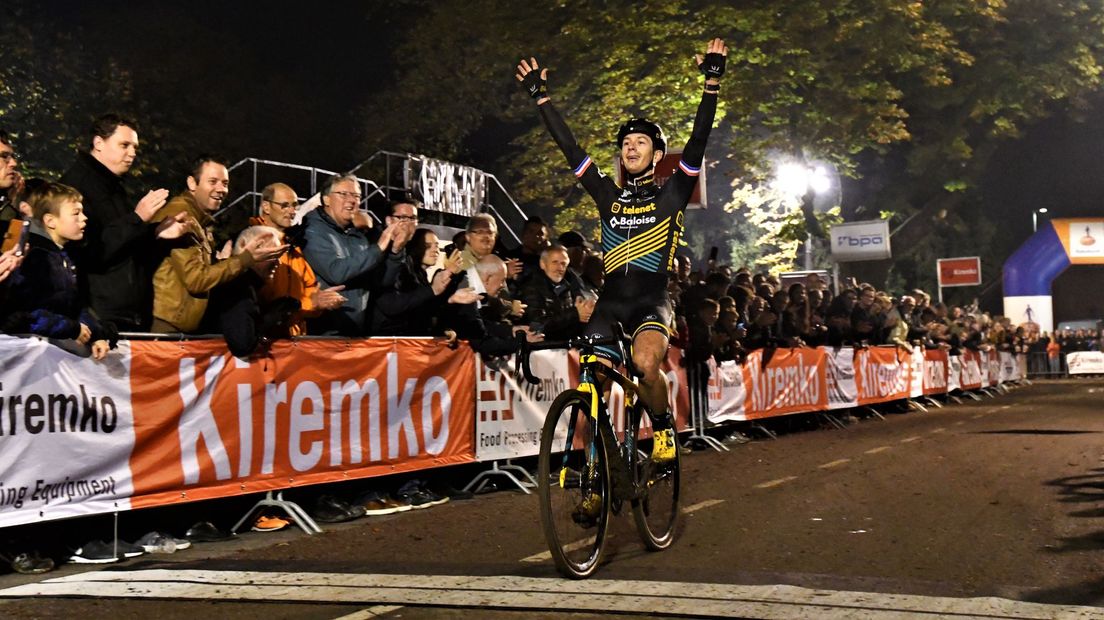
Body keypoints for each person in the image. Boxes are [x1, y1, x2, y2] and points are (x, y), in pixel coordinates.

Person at [517, 37, 727, 463]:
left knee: (647, 365)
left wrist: (711, 84)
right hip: (610, 303)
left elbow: (700, 141)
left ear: (657, 155)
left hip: (651, 301)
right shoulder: (607, 197)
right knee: (591, 382)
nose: (630, 146)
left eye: (641, 142)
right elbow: (570, 149)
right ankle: (602, 463)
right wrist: (542, 99)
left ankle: (664, 427)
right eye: (626, 142)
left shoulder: (671, 195)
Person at [59, 114, 187, 332]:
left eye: (135, 147)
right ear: (99, 143)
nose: (132, 154)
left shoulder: (114, 186)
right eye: (124, 145)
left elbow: (126, 247)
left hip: (126, 314)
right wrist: (137, 218)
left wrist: (157, 233)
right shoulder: (75, 186)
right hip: (100, 317)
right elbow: (91, 252)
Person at [150, 156, 286, 333]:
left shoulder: (200, 219)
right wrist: (244, 259)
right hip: (167, 328)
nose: (221, 189)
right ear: (192, 183)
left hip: (178, 327)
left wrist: (222, 262)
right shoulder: (181, 216)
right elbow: (196, 280)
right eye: (213, 181)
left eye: (225, 183)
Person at [1, 182, 111, 359]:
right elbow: (23, 313)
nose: (84, 218)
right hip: (28, 360)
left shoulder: (61, 256)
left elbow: (72, 306)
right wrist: (71, 328)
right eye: (76, 213)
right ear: (50, 221)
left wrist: (95, 334)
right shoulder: (36, 258)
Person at [301, 176, 412, 335]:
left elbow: (380, 281)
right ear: (326, 199)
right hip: (325, 336)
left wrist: (395, 252)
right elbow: (336, 272)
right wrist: (379, 247)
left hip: (357, 335)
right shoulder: (312, 231)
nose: (351, 200)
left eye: (356, 196)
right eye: (344, 194)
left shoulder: (358, 235)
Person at [254, 182, 345, 335]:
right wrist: (311, 303)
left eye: (295, 205)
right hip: (263, 342)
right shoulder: (253, 242)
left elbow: (309, 287)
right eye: (284, 205)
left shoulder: (293, 246)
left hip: (294, 342)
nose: (292, 211)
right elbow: (264, 301)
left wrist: (320, 299)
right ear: (266, 207)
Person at [518, 244, 595, 340]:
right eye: (555, 262)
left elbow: (570, 321)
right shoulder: (530, 287)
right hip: (541, 348)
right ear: (543, 264)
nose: (560, 268)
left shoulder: (567, 287)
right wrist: (575, 314)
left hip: (566, 345)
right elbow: (537, 325)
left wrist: (586, 314)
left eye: (563, 264)